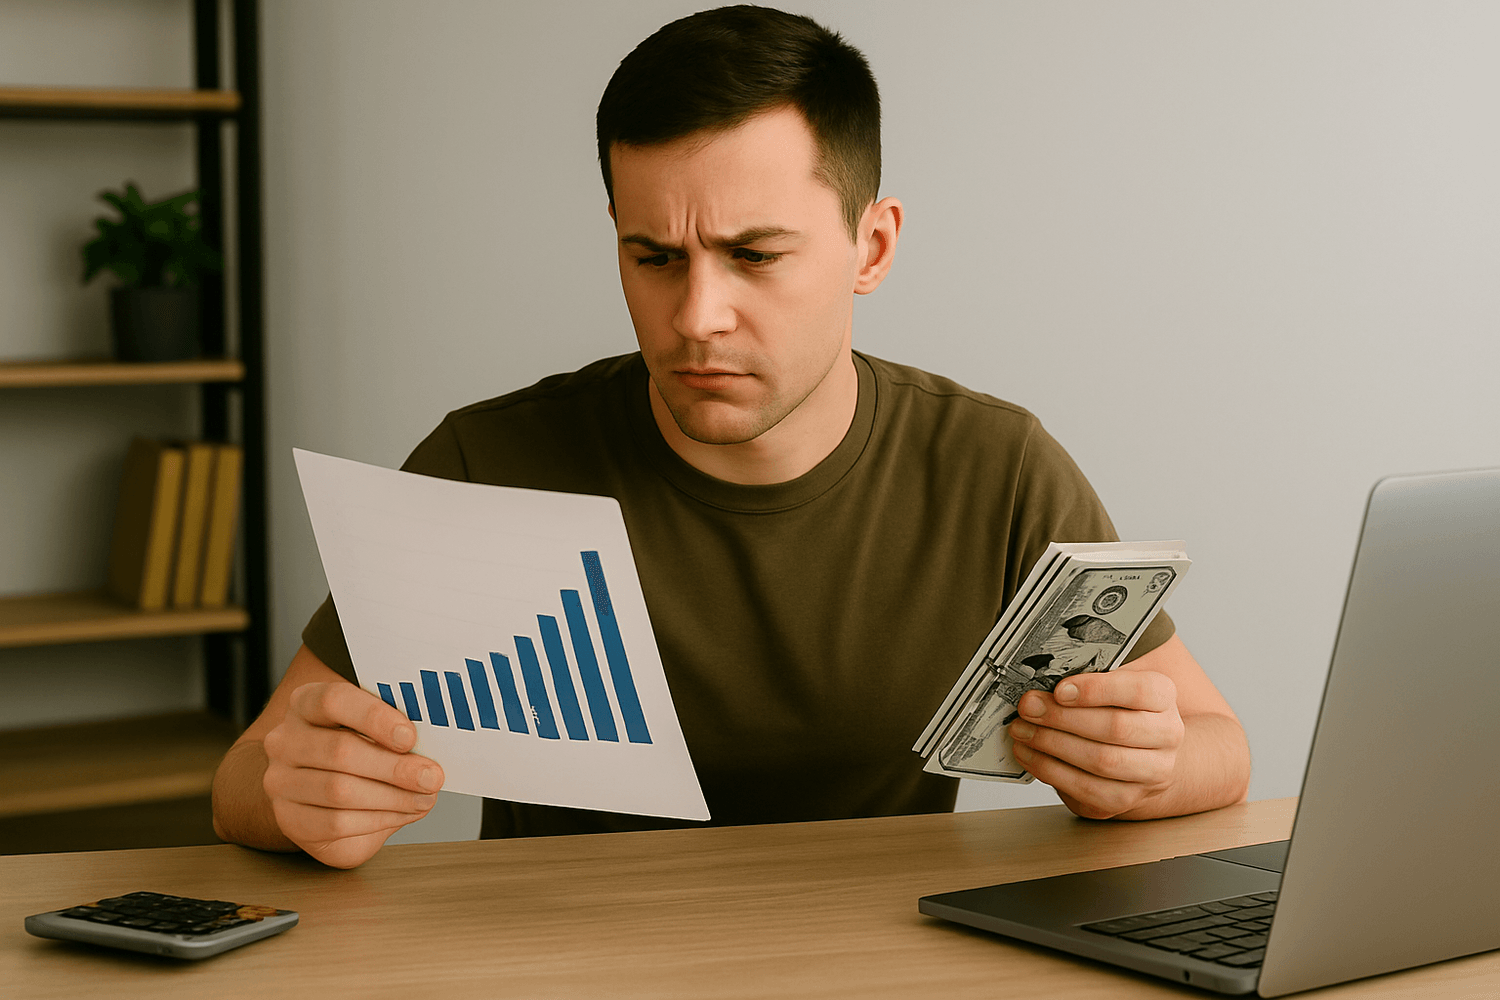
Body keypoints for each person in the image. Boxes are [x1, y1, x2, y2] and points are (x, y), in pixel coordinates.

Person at [212, 5, 1250, 870]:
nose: (697, 315)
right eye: (654, 256)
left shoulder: (996, 466)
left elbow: (1220, 747)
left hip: (887, 968)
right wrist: (298, 791)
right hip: (557, 967)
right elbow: (244, 779)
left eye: (755, 256)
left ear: (871, 245)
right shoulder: (489, 468)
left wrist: (1149, 766)